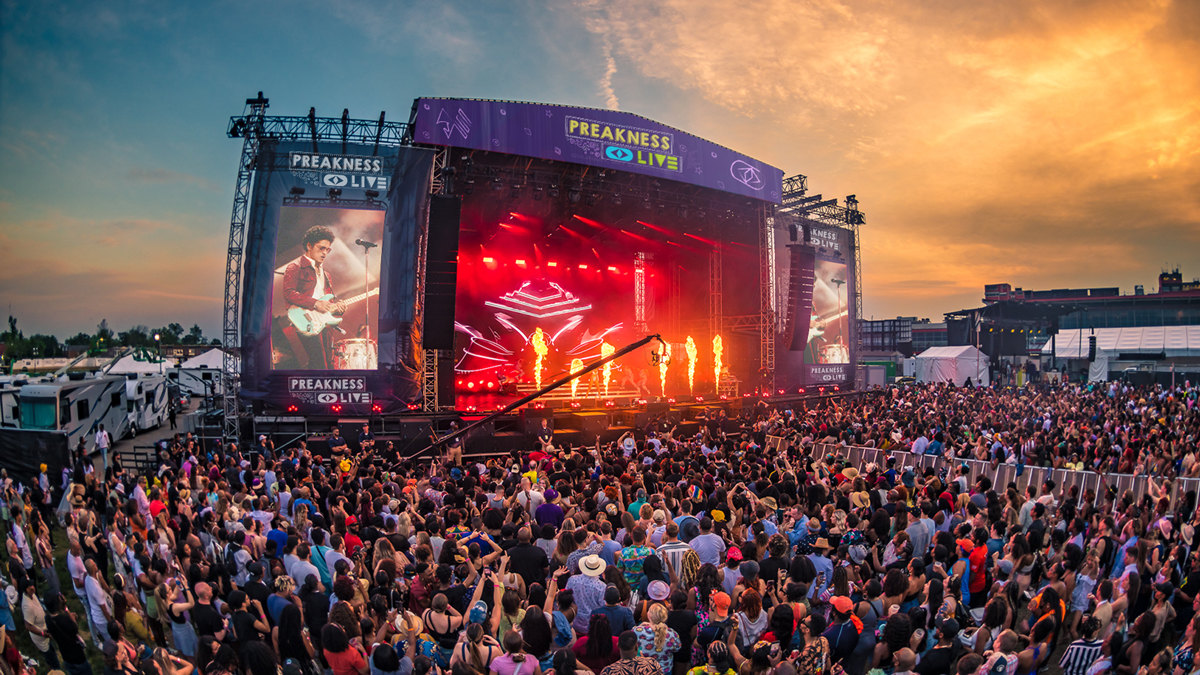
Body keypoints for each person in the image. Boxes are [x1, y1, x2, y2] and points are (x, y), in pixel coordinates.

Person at [278, 225, 346, 369]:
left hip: (324, 322)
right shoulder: (295, 267)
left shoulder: (326, 275)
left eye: (327, 249)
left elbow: (328, 302)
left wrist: (338, 309)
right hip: (305, 319)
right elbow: (288, 293)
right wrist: (315, 303)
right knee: (319, 362)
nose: (325, 253)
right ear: (309, 245)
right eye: (321, 248)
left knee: (328, 362)